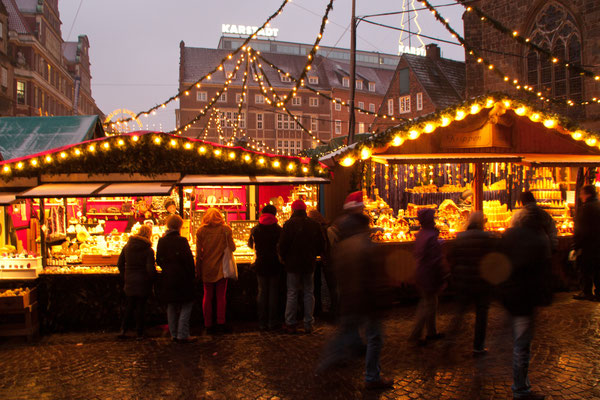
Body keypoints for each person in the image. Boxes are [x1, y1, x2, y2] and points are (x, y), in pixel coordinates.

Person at [318, 191, 393, 390]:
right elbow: (373, 273)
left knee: (347, 332)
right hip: (366, 299)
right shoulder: (364, 244)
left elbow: (338, 270)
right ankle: (371, 376)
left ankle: (329, 361)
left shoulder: (343, 243)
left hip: (349, 298)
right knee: (374, 337)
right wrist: (382, 296)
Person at [500, 219, 552, 400]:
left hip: (512, 298)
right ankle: (520, 389)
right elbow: (541, 273)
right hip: (524, 300)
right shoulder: (535, 244)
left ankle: (522, 385)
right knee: (521, 345)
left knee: (519, 342)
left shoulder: (508, 239)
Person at [446, 211, 496, 355]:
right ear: (482, 223)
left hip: (464, 281)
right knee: (481, 315)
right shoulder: (487, 238)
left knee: (459, 313)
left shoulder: (460, 237)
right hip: (482, 282)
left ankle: (448, 343)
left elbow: (452, 257)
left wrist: (456, 272)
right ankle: (478, 346)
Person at [278, 199, 325, 334]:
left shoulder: (288, 224)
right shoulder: (314, 225)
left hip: (292, 264)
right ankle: (308, 323)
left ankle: (290, 322)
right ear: (304, 210)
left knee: (292, 292)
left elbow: (282, 245)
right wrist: (314, 254)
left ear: (293, 210)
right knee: (309, 292)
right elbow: (321, 244)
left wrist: (284, 257)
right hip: (308, 263)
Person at [408, 208, 448, 346]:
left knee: (430, 302)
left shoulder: (421, 234)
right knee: (428, 305)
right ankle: (415, 334)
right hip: (428, 274)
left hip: (421, 272)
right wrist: (442, 274)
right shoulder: (430, 236)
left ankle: (431, 332)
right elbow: (435, 259)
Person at [156, 215, 197, 343]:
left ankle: (174, 334)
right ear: (180, 226)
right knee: (187, 304)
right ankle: (182, 334)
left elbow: (158, 259)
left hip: (168, 277)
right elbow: (189, 261)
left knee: (171, 306)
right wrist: (192, 274)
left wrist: (167, 268)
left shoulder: (162, 241)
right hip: (183, 277)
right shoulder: (182, 241)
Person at [196, 208, 236, 334]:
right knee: (221, 296)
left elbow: (198, 253)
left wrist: (198, 269)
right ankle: (221, 322)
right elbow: (233, 248)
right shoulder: (226, 230)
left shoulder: (200, 231)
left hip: (207, 267)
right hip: (221, 268)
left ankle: (207, 323)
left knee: (207, 296)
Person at [117, 224, 157, 340]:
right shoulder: (148, 250)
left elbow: (120, 264)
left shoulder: (127, 247)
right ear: (149, 235)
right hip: (143, 281)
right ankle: (140, 332)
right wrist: (153, 279)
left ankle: (123, 329)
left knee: (129, 305)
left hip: (130, 280)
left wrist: (126, 275)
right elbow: (150, 268)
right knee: (141, 307)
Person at [248, 204, 284, 331]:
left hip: (261, 264)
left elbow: (250, 245)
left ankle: (262, 322)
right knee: (273, 293)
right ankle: (272, 321)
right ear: (274, 214)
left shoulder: (256, 229)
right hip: (275, 264)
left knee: (262, 292)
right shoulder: (279, 229)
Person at [307, 209, 337, 318]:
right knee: (329, 286)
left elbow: (327, 247)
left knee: (329, 285)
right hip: (329, 260)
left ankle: (331, 309)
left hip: (329, 260)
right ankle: (331, 308)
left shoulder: (325, 230)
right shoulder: (328, 228)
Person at [573, 184, 600, 301]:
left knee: (585, 269)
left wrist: (576, 245)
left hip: (588, 245)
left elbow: (580, 229)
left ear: (587, 194)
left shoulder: (584, 209)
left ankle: (586, 291)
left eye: (581, 194)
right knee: (598, 269)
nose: (580, 196)